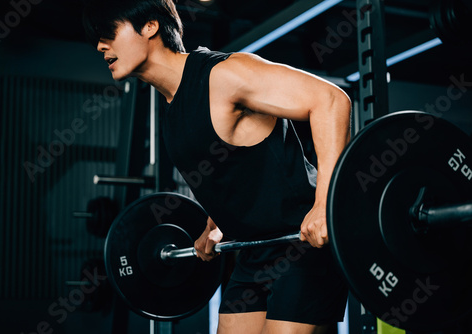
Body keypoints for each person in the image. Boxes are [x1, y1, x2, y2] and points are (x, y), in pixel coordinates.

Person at [83, 1, 351, 333]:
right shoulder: (171, 110)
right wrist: (215, 225)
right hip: (252, 254)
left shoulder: (222, 74)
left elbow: (329, 100)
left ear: (150, 26)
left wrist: (325, 204)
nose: (100, 46)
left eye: (108, 33)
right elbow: (228, 173)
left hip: (303, 244)